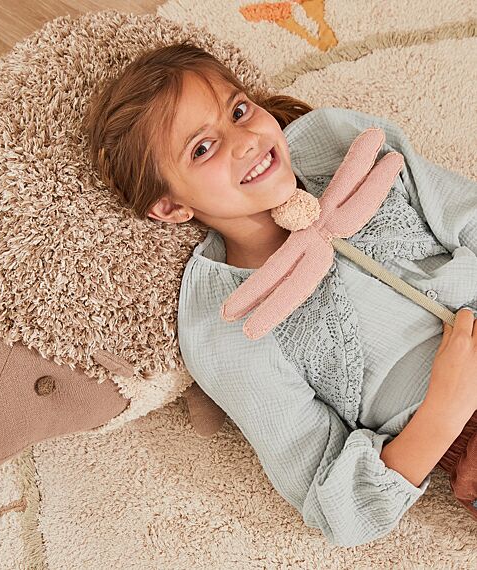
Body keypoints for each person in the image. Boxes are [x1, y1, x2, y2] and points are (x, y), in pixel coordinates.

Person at [83, 40, 477, 547]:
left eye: (238, 111)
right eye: (202, 148)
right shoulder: (226, 322)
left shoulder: (337, 144)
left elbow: (466, 212)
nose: (246, 140)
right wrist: (445, 410)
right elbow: (335, 503)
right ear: (170, 207)